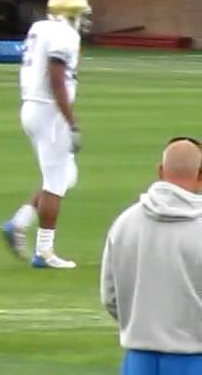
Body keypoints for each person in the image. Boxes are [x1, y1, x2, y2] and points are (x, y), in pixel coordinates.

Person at [0, 0, 92, 269]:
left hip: (32, 107)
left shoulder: (40, 28)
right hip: (49, 111)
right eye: (81, 15)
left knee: (66, 177)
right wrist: (71, 121)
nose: (84, 21)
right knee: (55, 181)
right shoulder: (65, 35)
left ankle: (19, 222)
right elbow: (56, 78)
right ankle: (45, 251)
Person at [101, 137, 202, 375]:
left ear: (160, 170)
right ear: (200, 175)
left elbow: (110, 296)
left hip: (138, 360)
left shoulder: (125, 223)